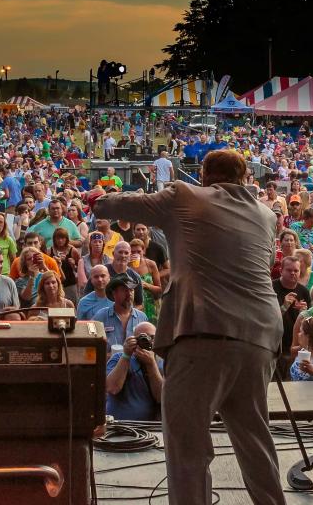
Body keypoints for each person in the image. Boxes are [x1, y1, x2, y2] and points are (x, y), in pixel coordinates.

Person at [92, 149, 287, 505]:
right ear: (244, 177)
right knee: (255, 439)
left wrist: (99, 201)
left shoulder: (185, 195)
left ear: (206, 176)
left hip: (203, 335)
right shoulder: (266, 215)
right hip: (260, 336)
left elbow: (124, 205)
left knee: (188, 446)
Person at [105, 322, 165, 420]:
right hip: (120, 426)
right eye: (142, 337)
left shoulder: (162, 363)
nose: (147, 341)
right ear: (134, 340)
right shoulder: (119, 358)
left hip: (151, 428)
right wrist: (126, 355)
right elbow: (112, 388)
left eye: (152, 337)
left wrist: (151, 364)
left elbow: (161, 397)